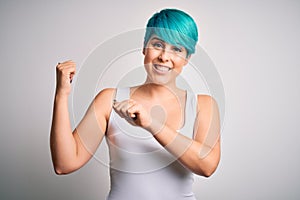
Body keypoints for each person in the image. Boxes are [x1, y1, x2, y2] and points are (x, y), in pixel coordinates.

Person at [50, 8, 221, 200]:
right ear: (144, 47)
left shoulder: (203, 106)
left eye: (177, 49)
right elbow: (64, 164)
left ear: (187, 58)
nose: (164, 56)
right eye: (158, 44)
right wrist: (61, 95)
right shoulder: (109, 100)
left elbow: (207, 166)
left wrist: (151, 124)